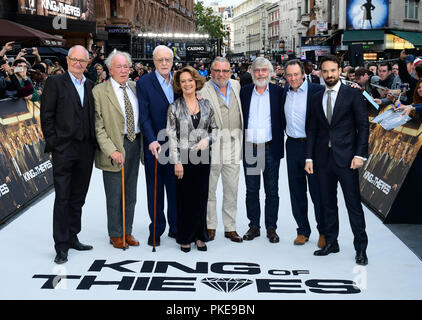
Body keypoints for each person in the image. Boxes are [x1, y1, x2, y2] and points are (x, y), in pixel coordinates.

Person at [305, 55, 369, 265]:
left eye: (333, 70)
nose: (329, 75)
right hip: (323, 160)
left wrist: (360, 155)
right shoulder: (316, 97)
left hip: (348, 159)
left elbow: (363, 126)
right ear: (320, 73)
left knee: (353, 205)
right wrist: (309, 157)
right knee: (327, 204)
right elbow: (313, 130)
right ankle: (332, 243)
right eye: (325, 71)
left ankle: (361, 248)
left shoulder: (353, 94)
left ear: (339, 70)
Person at [40, 45, 97, 264]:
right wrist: (55, 144)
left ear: (87, 63)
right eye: (74, 59)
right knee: (62, 197)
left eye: (82, 61)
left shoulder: (91, 85)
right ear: (67, 60)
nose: (78, 64)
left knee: (78, 197)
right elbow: (47, 116)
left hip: (85, 150)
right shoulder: (55, 83)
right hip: (64, 150)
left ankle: (73, 236)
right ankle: (61, 245)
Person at [93, 51, 142, 249]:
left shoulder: (135, 87)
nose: (123, 71)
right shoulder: (98, 91)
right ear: (110, 69)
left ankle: (127, 230)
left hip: (135, 143)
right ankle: (115, 233)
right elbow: (98, 126)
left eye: (126, 67)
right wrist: (111, 150)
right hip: (114, 147)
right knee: (114, 193)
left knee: (130, 192)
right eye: (119, 67)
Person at [167, 66, 218, 252]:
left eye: (190, 80)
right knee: (184, 199)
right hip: (184, 158)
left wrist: (207, 139)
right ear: (179, 85)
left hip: (204, 157)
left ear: (196, 82)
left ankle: (200, 236)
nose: (187, 84)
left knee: (201, 197)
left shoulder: (206, 105)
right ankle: (185, 236)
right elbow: (171, 136)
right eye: (183, 81)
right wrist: (177, 162)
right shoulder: (174, 107)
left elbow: (216, 130)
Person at [136, 45, 178, 246]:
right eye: (160, 60)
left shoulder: (178, 81)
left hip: (177, 147)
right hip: (155, 145)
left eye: (167, 60)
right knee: (155, 190)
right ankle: (156, 230)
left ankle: (176, 228)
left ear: (172, 61)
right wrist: (151, 139)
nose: (164, 64)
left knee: (175, 188)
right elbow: (143, 116)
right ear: (154, 62)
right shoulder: (144, 82)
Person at [199, 57, 244, 243]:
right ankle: (210, 226)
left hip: (234, 142)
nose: (221, 74)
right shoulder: (203, 91)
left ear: (230, 72)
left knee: (231, 188)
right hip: (213, 145)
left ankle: (230, 227)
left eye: (225, 71)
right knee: (210, 188)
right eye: (217, 71)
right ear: (211, 71)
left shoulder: (236, 85)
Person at [240, 57, 285, 243]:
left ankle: (271, 227)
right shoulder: (244, 92)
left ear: (271, 72)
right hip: (250, 148)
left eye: (264, 70)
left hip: (270, 148)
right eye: (257, 70)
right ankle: (254, 226)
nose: (260, 74)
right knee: (251, 190)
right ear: (251, 72)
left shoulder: (279, 93)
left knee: (272, 190)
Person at [282, 59, 326, 248]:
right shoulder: (283, 92)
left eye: (296, 74)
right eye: (289, 75)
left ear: (303, 74)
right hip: (292, 145)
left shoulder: (317, 91)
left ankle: (323, 231)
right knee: (296, 191)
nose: (293, 78)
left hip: (313, 147)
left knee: (317, 192)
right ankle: (302, 230)